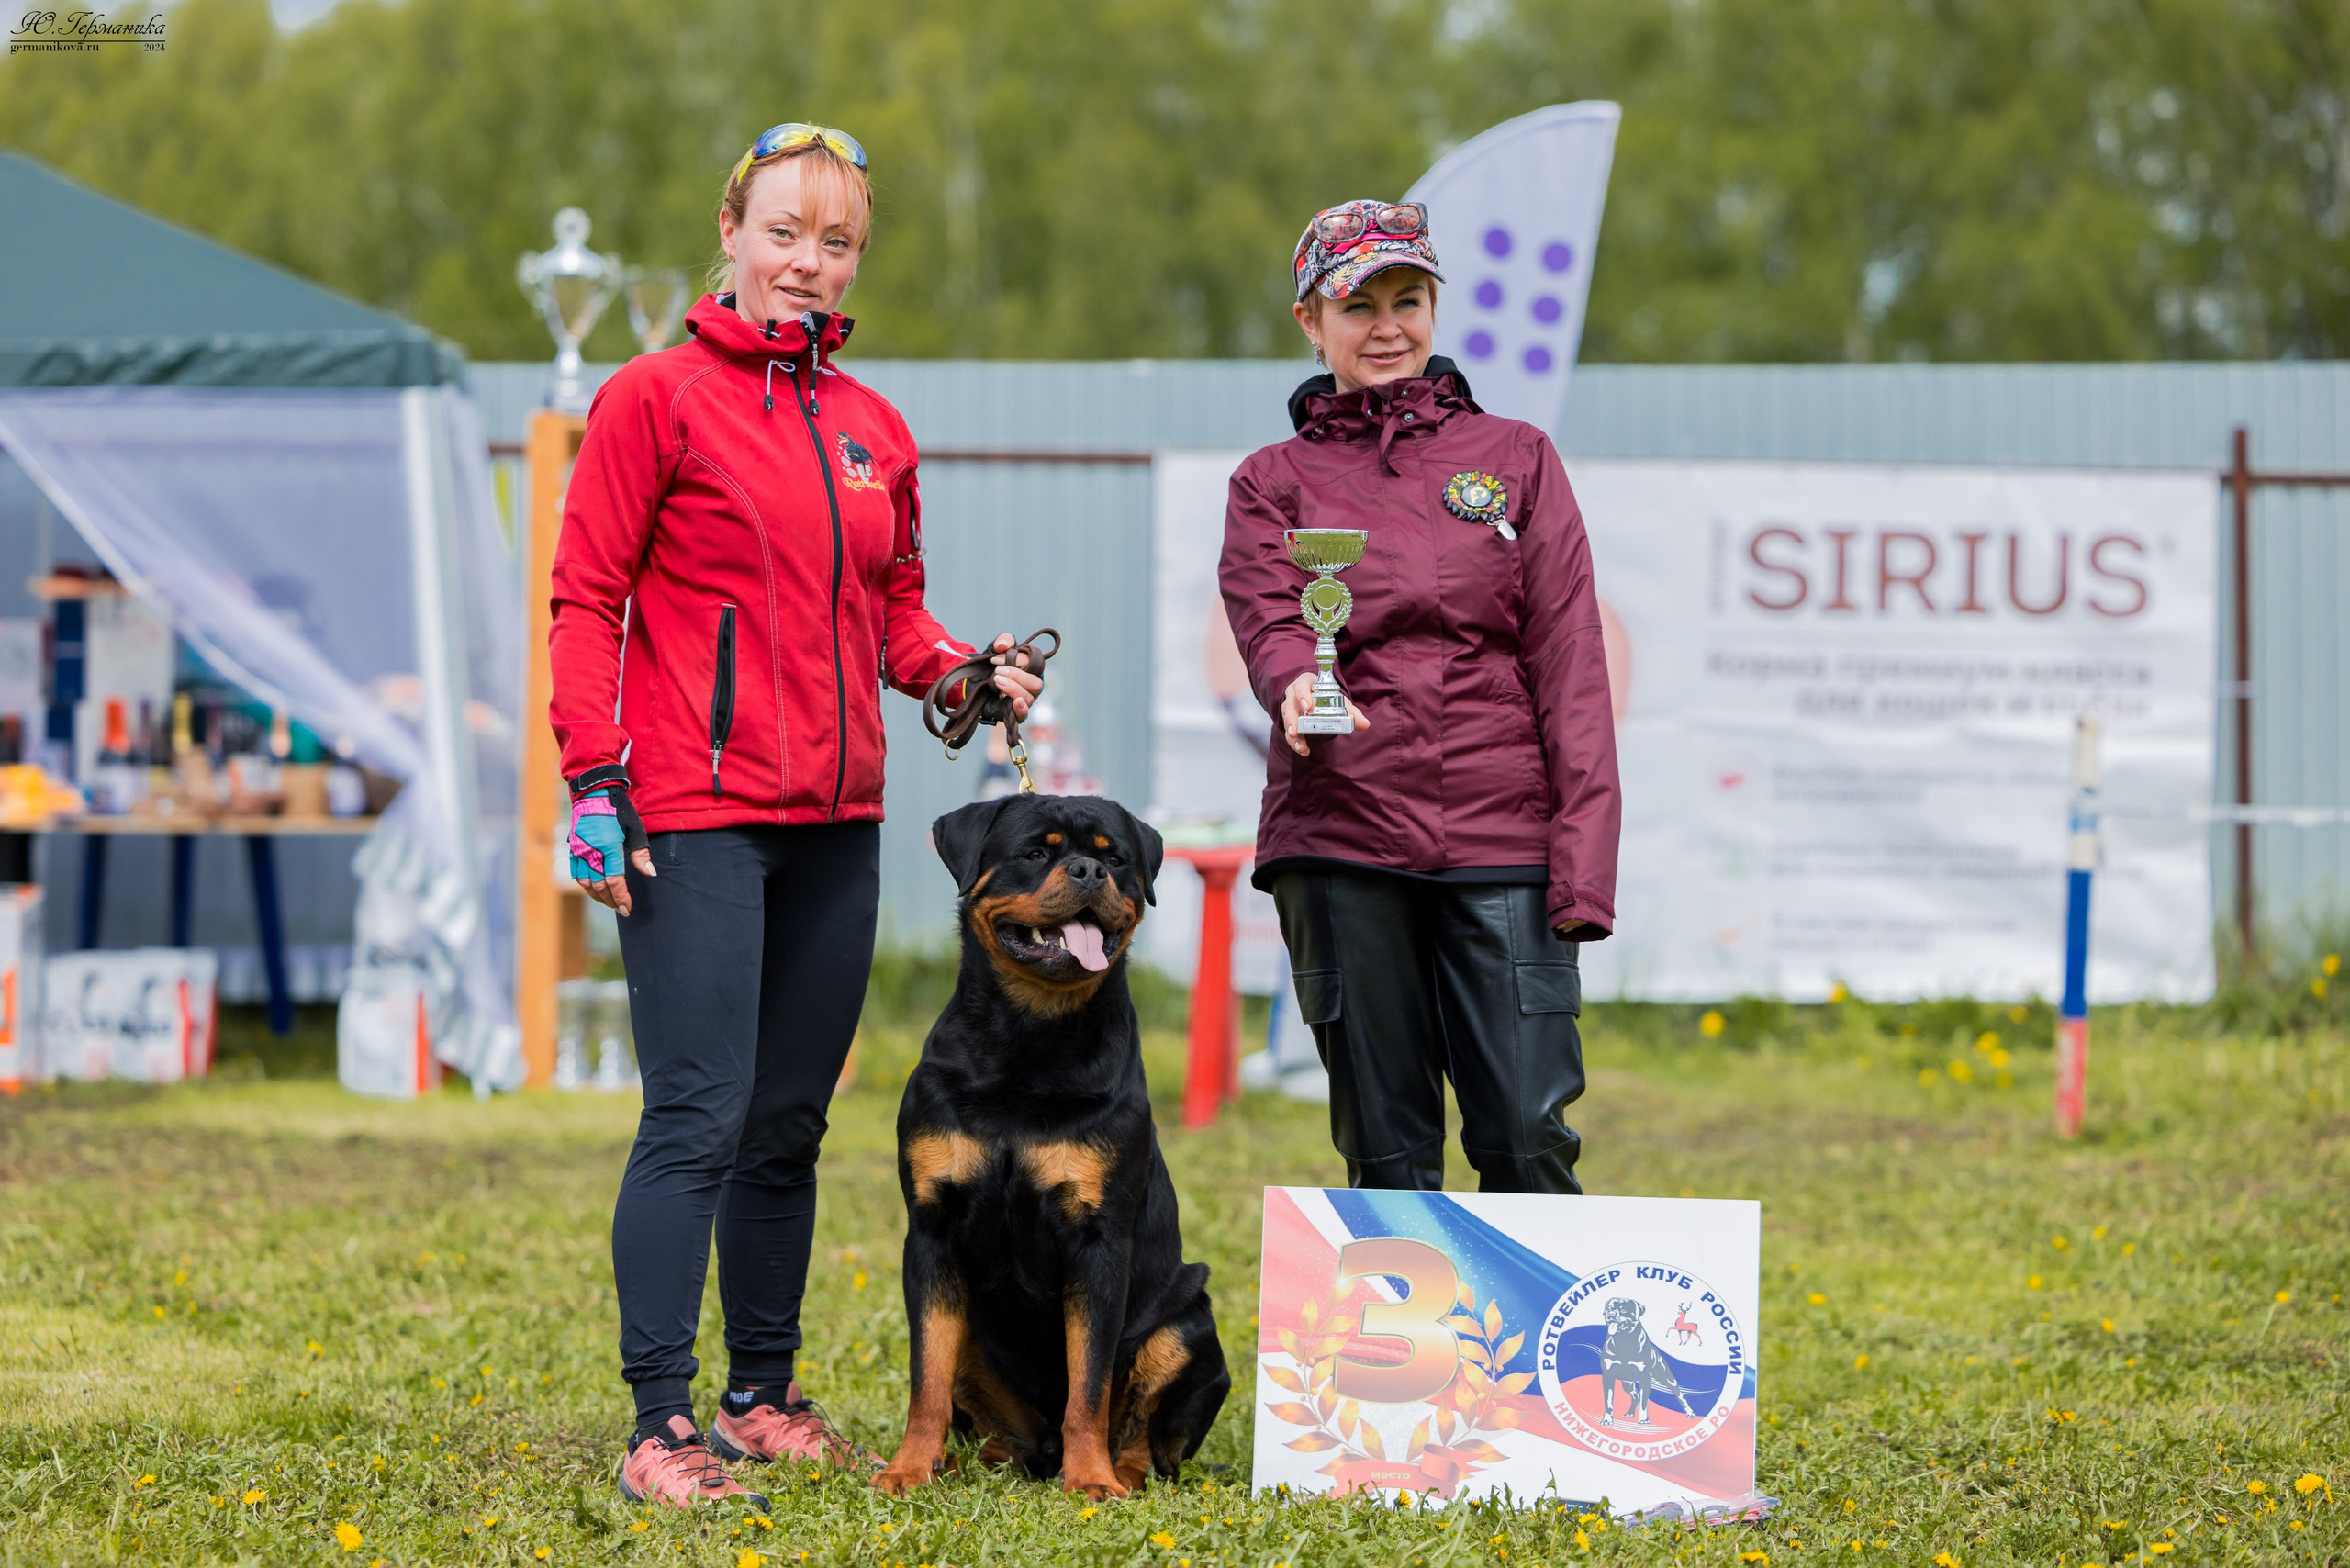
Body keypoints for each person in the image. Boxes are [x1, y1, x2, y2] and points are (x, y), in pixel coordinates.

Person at [548, 122, 1042, 1508]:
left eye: (836, 242)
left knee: (787, 1125)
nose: (808, 264)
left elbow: (891, 611)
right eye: (785, 232)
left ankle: (759, 1394)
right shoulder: (654, 398)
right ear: (731, 231)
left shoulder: (875, 429)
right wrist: (595, 779)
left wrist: (959, 670)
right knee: (695, 1118)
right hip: (692, 815)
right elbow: (586, 599)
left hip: (839, 821)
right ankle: (660, 1426)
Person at [1217, 199, 1621, 1194]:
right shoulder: (1272, 480)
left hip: (1501, 839)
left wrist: (1582, 865)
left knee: (1528, 1140)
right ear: (1310, 319)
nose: (1387, 325)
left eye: (1408, 299)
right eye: (1358, 305)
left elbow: (1571, 662)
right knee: (1387, 1156)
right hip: (1342, 835)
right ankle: (1406, 1353)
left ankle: (1539, 1353)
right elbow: (1271, 618)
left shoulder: (1516, 458)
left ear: (1436, 307)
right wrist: (1297, 687)